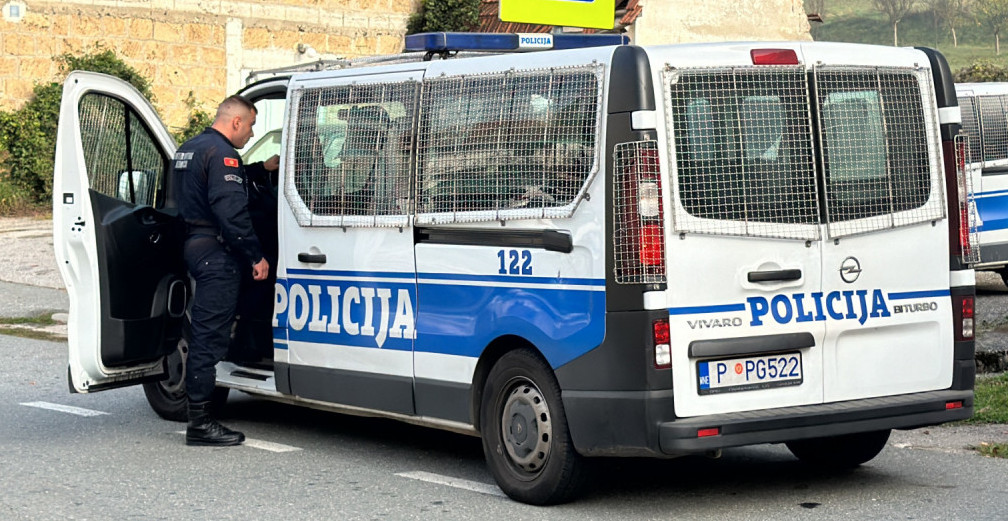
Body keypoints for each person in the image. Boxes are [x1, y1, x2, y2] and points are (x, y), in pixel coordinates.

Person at [173, 94, 278, 446]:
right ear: (236, 121)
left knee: (205, 330)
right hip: (217, 252)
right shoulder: (224, 154)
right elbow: (231, 212)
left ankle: (201, 416)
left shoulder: (191, 147)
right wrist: (255, 255)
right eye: (249, 126)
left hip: (195, 245)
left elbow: (208, 183)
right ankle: (200, 424)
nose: (250, 134)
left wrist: (260, 170)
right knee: (209, 336)